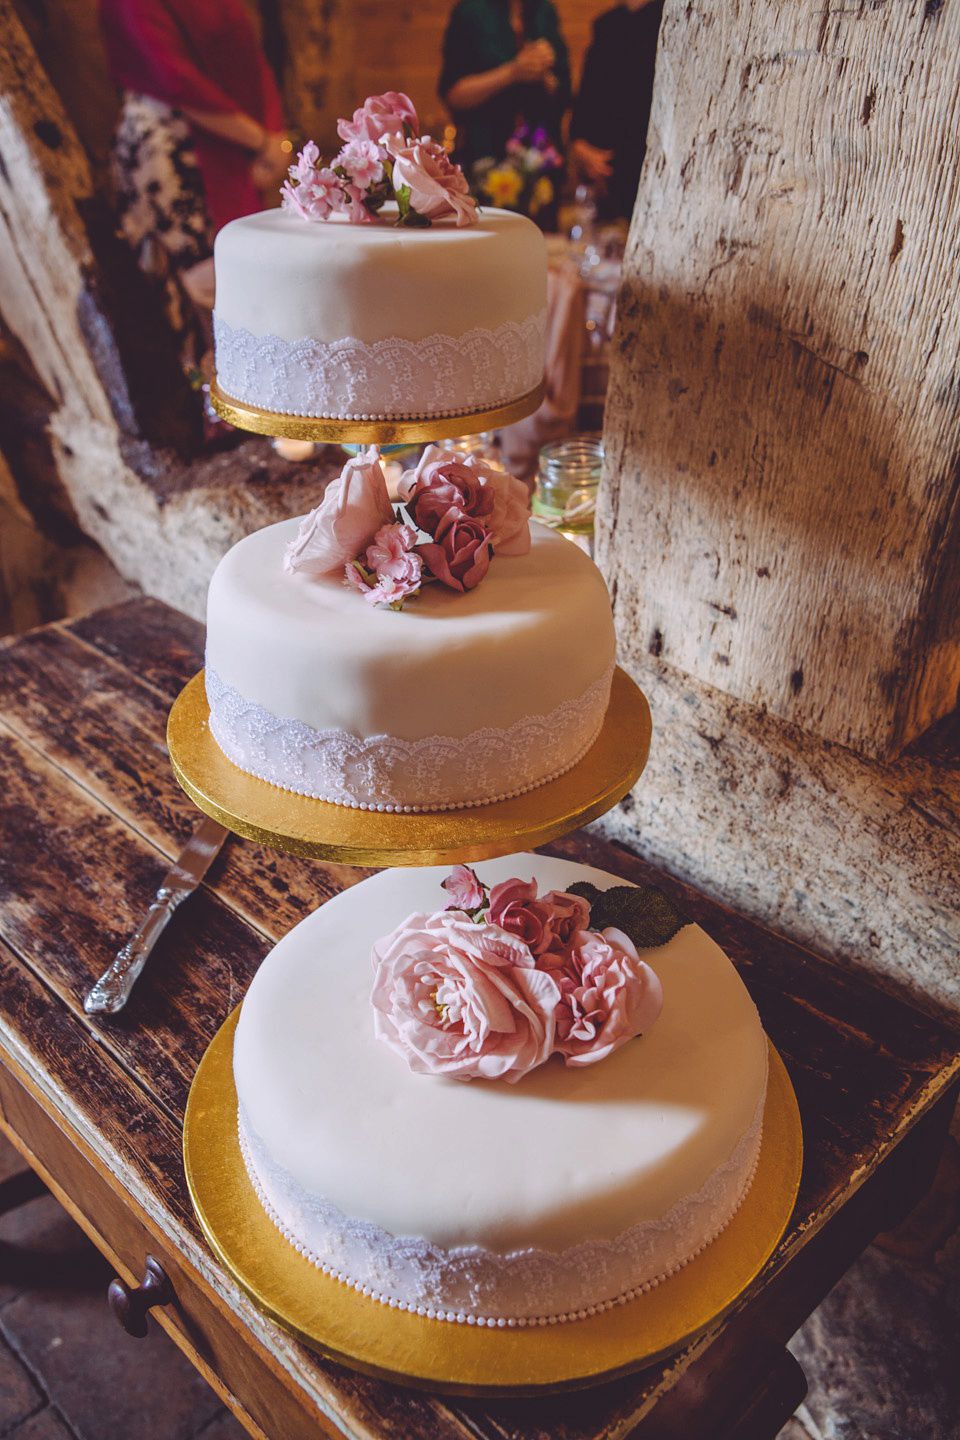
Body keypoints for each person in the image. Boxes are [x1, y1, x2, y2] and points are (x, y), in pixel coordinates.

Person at [98, 0, 288, 362]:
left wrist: (273, 139)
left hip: (234, 143)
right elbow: (172, 76)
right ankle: (206, 394)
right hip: (170, 151)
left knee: (234, 273)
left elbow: (250, 60)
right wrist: (263, 141)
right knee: (191, 283)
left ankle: (234, 387)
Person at [439, 0, 571, 176]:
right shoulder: (471, 12)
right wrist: (512, 72)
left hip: (541, 160)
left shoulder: (544, 10)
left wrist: (543, 72)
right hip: (485, 158)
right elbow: (453, 94)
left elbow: (564, 92)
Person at [569, 0, 664, 222]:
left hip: (651, 167)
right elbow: (588, 97)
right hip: (606, 172)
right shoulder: (607, 25)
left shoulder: (670, 19)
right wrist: (581, 145)